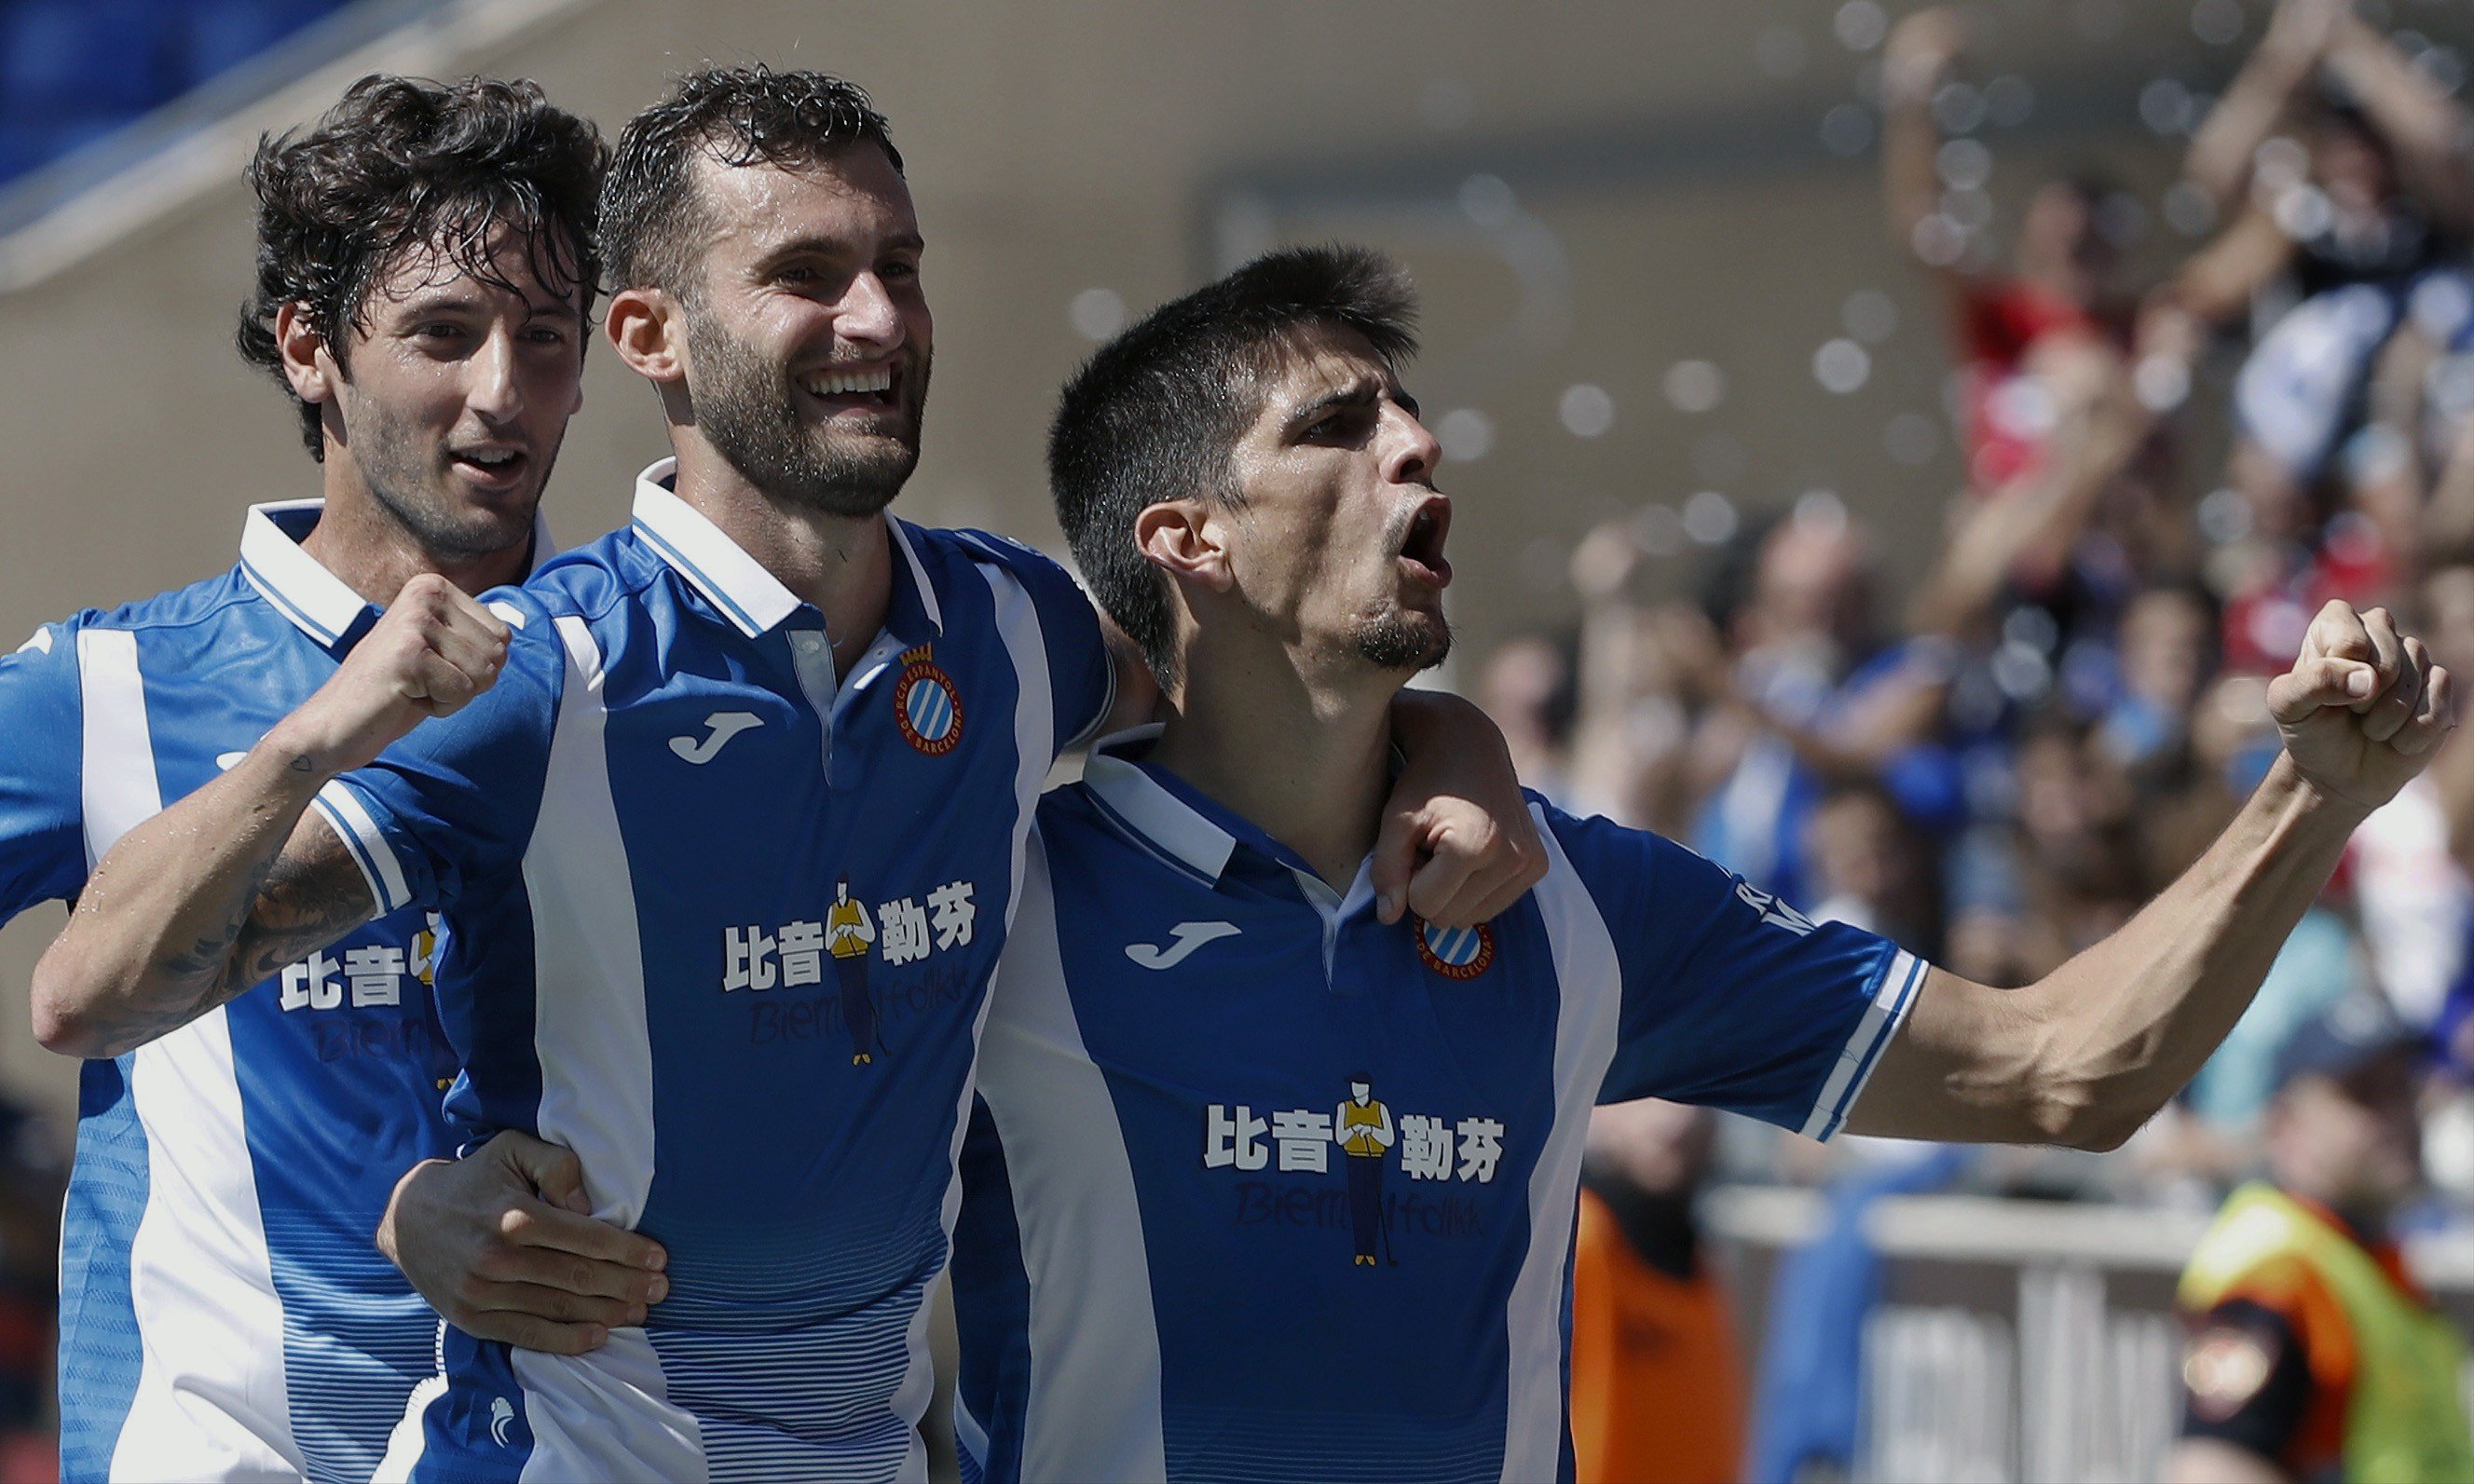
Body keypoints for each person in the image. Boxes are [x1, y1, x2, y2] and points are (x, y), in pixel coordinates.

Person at [393, 241, 2455, 1483]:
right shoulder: (990, 886)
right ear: (1182, 540)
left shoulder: (1565, 900)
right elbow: (655, 1029)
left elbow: (2052, 1074)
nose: (1419, 453)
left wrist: (2310, 801)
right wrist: (437, 1189)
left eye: (1416, 420)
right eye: (1338, 425)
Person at [29, 73, 1539, 1482]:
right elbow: (91, 993)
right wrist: (312, 739)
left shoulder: (1012, 631)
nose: (876, 315)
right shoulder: (529, 675)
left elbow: (1266, 687)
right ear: (658, 337)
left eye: (901, 264)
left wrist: (1463, 749)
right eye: (808, 275)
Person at [0, 75, 604, 1482]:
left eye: (546, 340)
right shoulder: (101, 688)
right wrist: (316, 734)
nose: (501, 392)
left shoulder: (638, 679)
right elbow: (71, 1008)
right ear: (309, 347)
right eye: (443, 335)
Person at [2166, 996, 2474, 1484]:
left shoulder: (2355, 1257)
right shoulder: (2278, 1269)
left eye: (2403, 1090)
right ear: (2286, 1124)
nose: (2398, 1117)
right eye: (2365, 1096)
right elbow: (2214, 1467)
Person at [1568, 1098, 1743, 1484]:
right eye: (1650, 1096)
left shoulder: (1697, 1257)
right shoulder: (1577, 1242)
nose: (1674, 1120)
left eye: (1695, 1099)